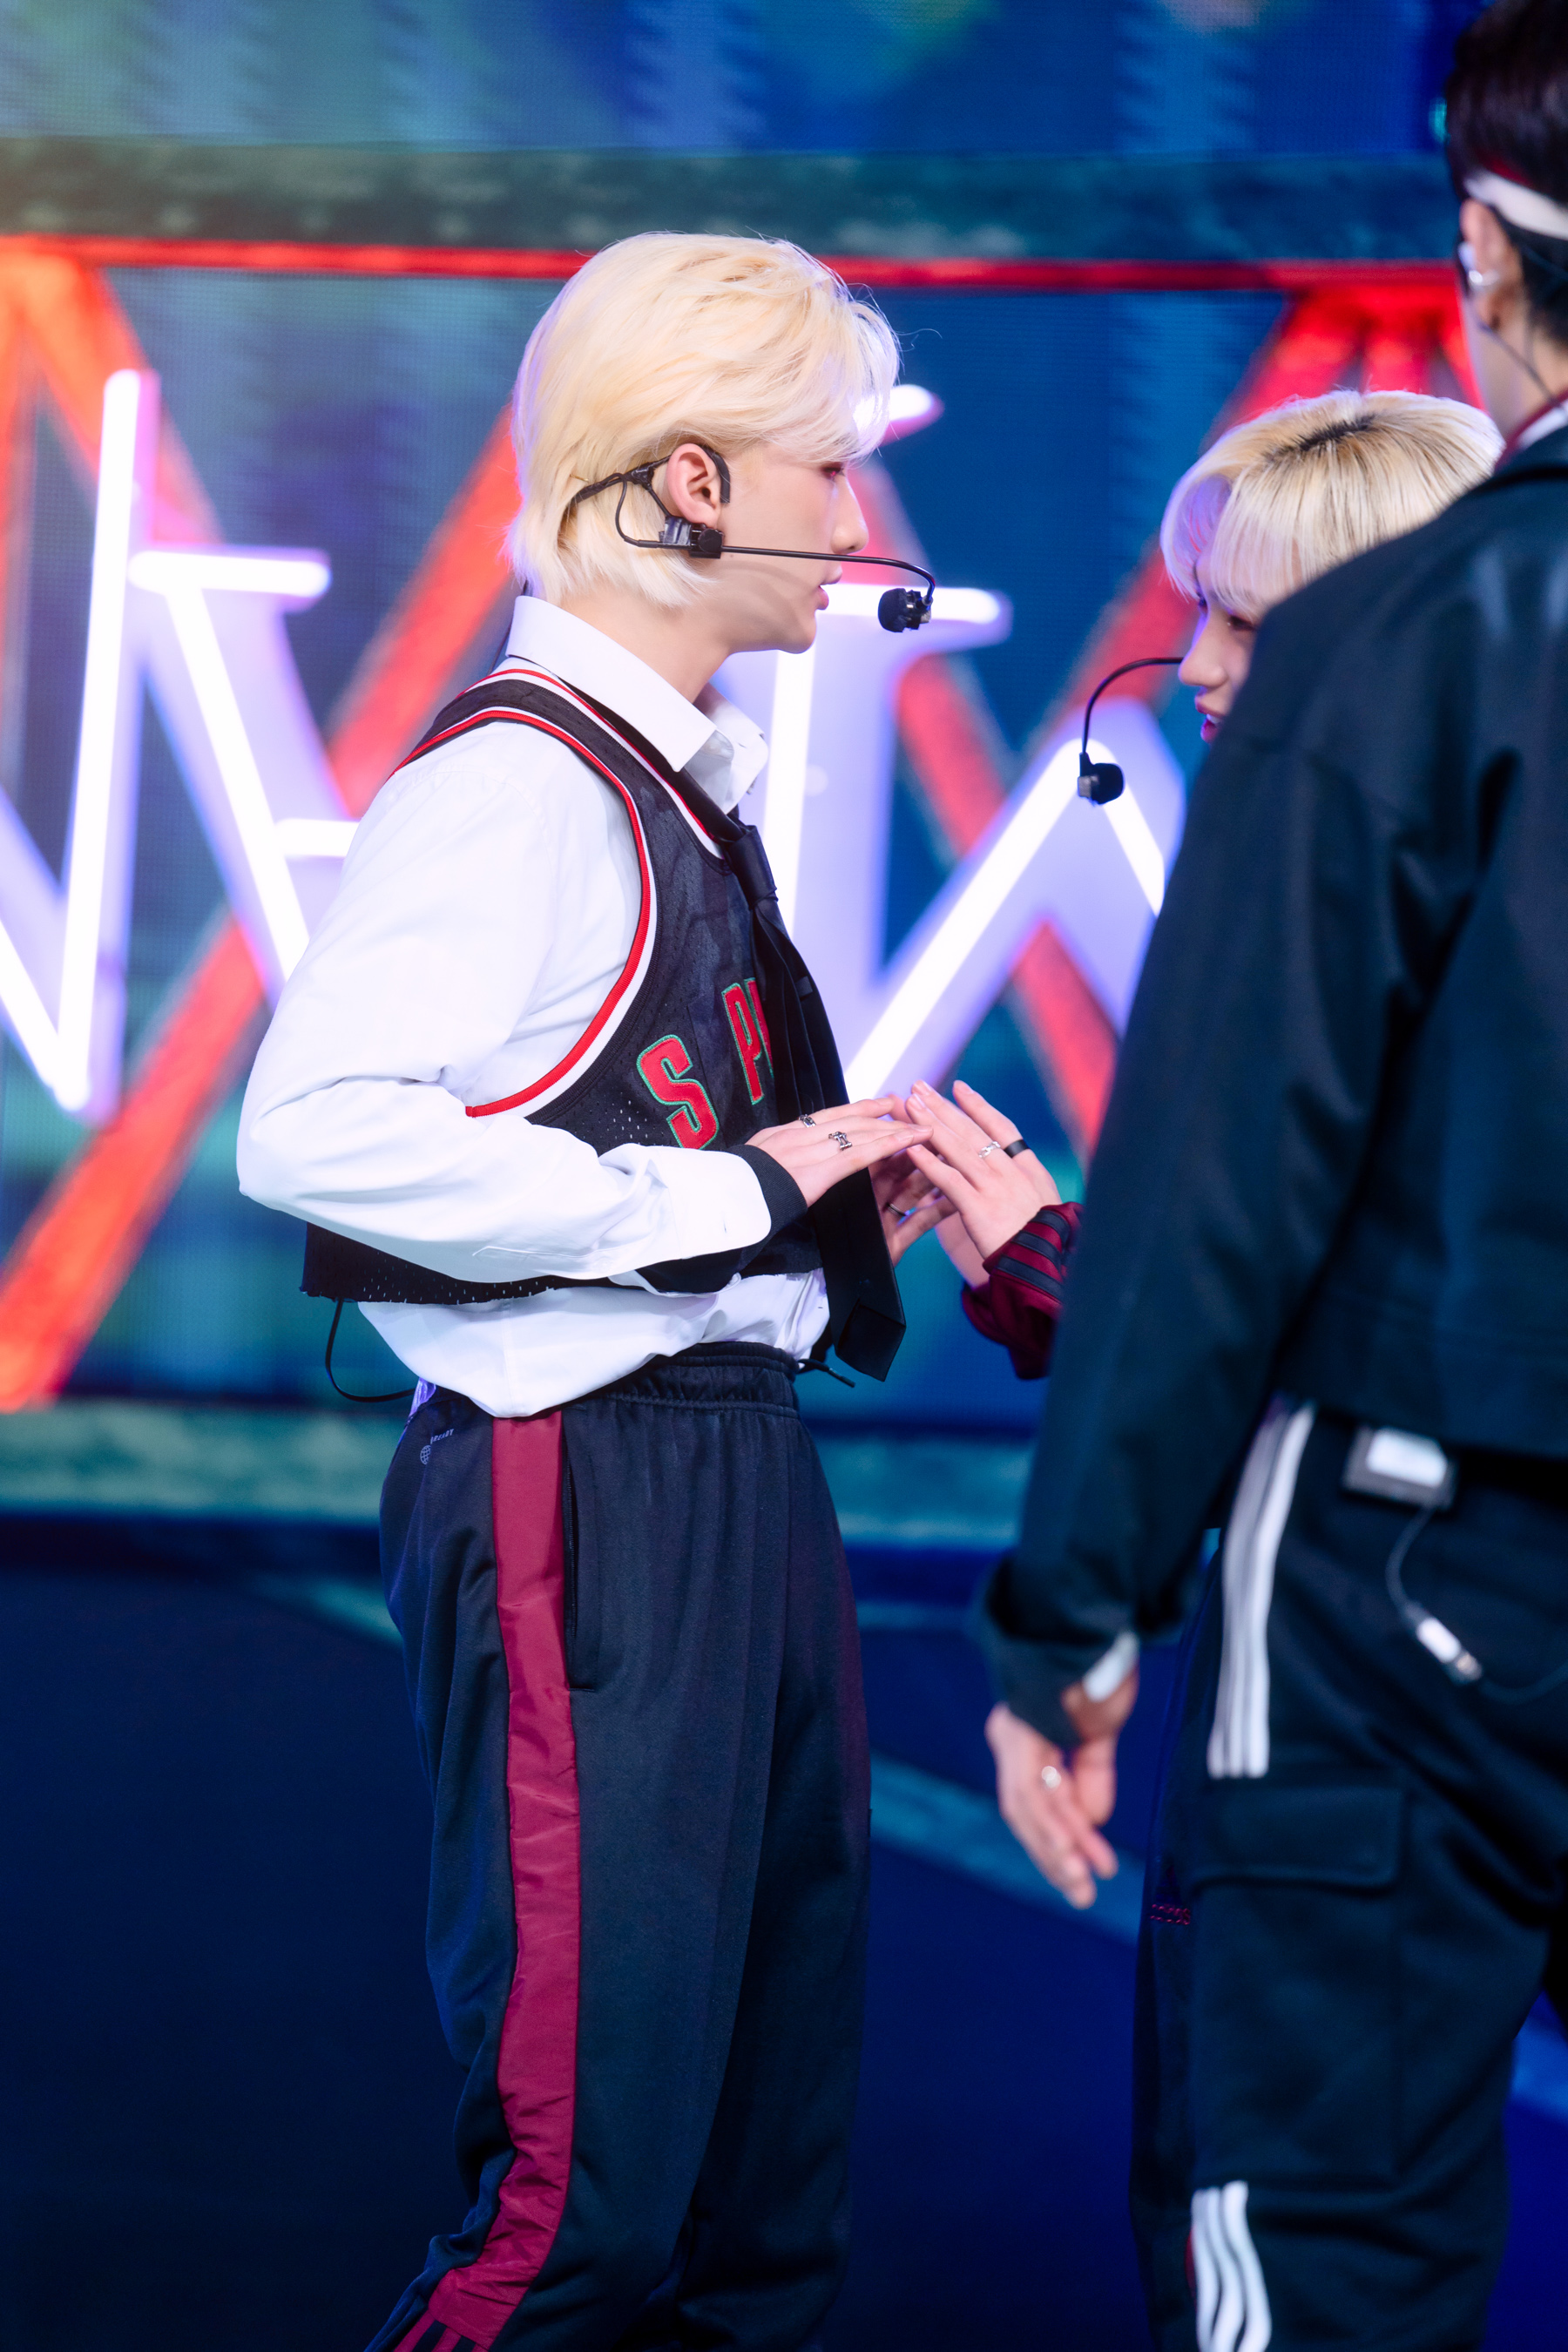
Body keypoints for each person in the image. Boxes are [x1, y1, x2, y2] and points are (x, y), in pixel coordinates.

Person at [238, 230, 936, 2352]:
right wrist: (730, 1192)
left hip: (721, 1471)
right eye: (830, 467)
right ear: (693, 482)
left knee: (756, 2208)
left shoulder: (656, 781)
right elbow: (312, 1131)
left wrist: (801, 1219)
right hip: (589, 1486)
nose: (860, 523)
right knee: (583, 2208)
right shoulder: (522, 782)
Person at [961, 0, 1568, 2341]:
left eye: (1233, 613)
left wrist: (1068, 1619)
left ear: (1490, 248)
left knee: (1310, 2256)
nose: (1200, 665)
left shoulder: (1409, 644)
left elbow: (1231, 1195)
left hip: (1416, 1569)